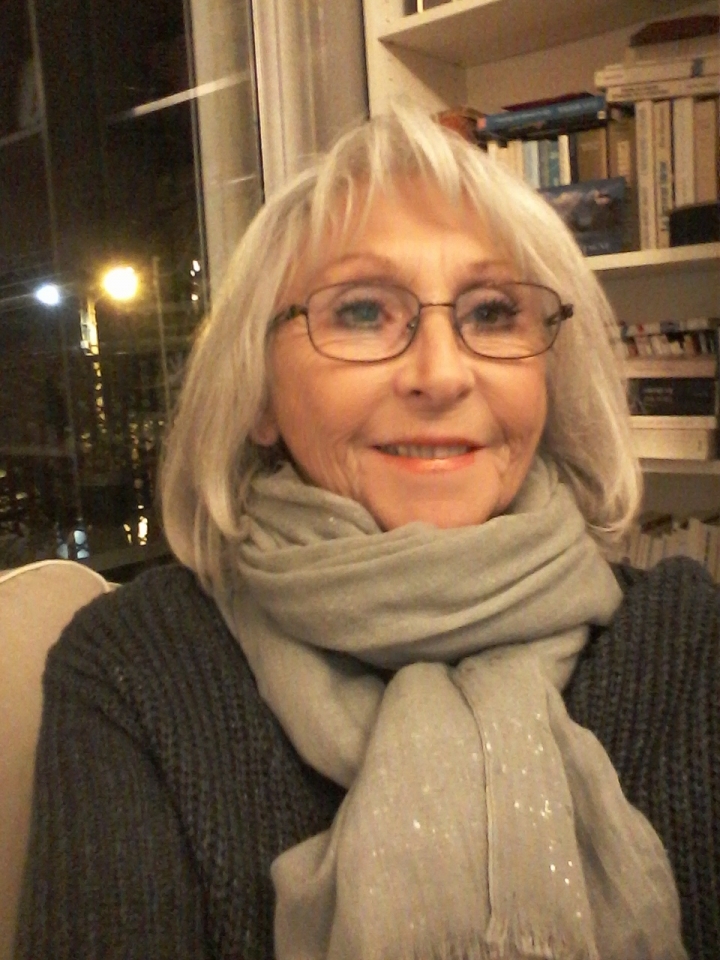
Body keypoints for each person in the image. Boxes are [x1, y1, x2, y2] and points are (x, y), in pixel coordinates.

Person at [15, 105, 719, 960]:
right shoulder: (136, 670)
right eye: (360, 312)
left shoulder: (690, 647)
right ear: (259, 393)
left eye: (492, 312)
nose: (441, 374)